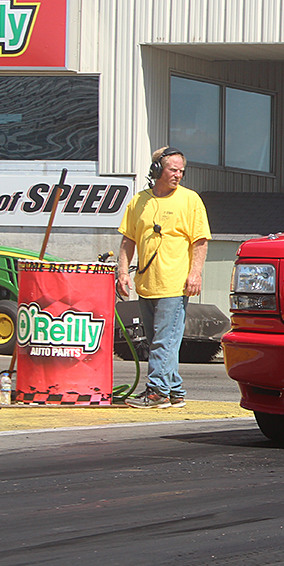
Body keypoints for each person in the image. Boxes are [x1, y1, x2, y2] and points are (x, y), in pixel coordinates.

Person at [116, 146, 211, 408]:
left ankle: (156, 391)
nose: (178, 175)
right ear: (157, 169)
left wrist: (195, 274)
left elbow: (200, 241)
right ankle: (175, 390)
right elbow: (128, 240)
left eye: (181, 171)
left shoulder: (190, 200)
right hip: (146, 284)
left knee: (163, 341)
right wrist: (122, 271)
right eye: (172, 169)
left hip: (175, 283)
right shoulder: (139, 202)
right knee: (159, 341)